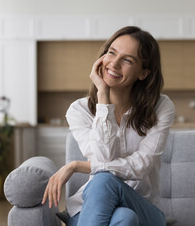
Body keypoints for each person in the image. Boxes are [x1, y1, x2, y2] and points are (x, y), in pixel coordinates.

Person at [42, 26, 175, 226]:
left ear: (143, 73)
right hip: (93, 206)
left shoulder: (161, 106)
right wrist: (103, 97)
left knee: (104, 181)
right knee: (124, 217)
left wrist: (77, 166)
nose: (114, 63)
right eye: (111, 53)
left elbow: (140, 166)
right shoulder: (79, 110)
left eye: (128, 60)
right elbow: (105, 158)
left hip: (142, 207)